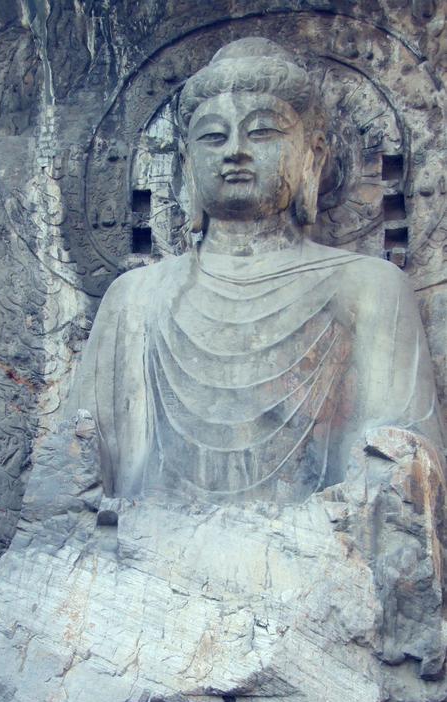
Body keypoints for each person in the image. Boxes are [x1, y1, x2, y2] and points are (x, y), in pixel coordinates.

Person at [73, 37, 444, 507]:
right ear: (188, 164)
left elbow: (401, 467)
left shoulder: (370, 286)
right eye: (213, 136)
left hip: (315, 549)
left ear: (313, 155)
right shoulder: (135, 297)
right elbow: (73, 471)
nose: (235, 152)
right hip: (147, 549)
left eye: (263, 132)